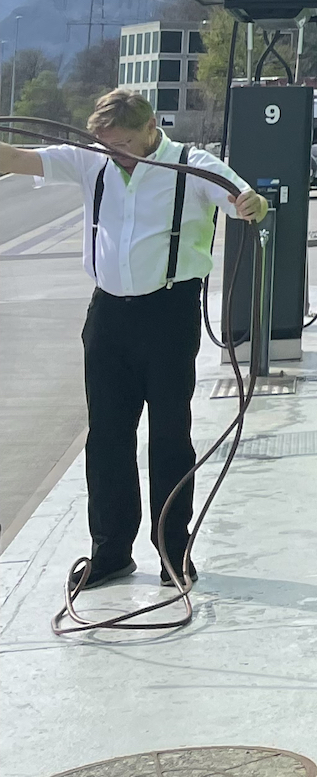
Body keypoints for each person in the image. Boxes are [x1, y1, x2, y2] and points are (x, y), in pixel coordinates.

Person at [0, 90, 267, 589]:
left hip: (169, 313)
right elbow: (16, 158)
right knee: (106, 437)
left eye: (121, 143)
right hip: (108, 316)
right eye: (105, 144)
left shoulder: (192, 165)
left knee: (168, 435)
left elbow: (246, 203)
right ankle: (110, 553)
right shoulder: (91, 161)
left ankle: (173, 552)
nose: (113, 154)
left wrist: (253, 204)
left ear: (150, 131)